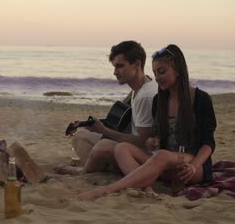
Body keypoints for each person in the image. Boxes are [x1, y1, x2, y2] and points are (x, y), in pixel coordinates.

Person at [78, 44, 217, 200]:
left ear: (177, 69)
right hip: (165, 165)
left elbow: (208, 143)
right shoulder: (160, 99)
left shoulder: (200, 99)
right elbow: (159, 135)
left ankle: (108, 190)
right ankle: (146, 187)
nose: (157, 78)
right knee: (122, 148)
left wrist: (194, 165)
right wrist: (154, 140)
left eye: (162, 72)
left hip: (190, 164)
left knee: (163, 155)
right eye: (155, 73)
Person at [55, 41, 157, 174]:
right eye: (114, 67)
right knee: (80, 136)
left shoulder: (145, 96)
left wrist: (105, 130)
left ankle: (84, 171)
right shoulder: (139, 88)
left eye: (120, 66)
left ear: (137, 64)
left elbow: (142, 143)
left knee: (102, 145)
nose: (115, 72)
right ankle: (101, 166)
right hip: (129, 148)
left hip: (140, 156)